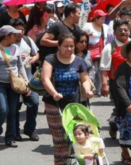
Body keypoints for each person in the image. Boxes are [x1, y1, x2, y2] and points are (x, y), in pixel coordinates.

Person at [41, 33, 93, 165]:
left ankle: (76, 162)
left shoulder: (79, 61)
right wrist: (54, 93)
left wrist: (87, 90)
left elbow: (85, 79)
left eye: (71, 46)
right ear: (58, 46)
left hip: (75, 106)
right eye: (66, 46)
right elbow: (45, 78)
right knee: (60, 141)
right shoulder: (50, 59)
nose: (69, 49)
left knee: (78, 137)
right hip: (54, 105)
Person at [0, 25, 29, 147]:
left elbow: (20, 66)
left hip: (14, 84)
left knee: (13, 111)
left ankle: (10, 137)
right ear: (7, 36)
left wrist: (26, 83)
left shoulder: (15, 48)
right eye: (14, 34)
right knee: (4, 109)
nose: (17, 36)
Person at [10, 18, 40, 141]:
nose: (19, 32)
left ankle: (30, 129)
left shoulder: (27, 40)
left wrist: (32, 58)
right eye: (16, 30)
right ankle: (15, 131)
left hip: (29, 79)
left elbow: (37, 53)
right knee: (15, 107)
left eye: (21, 30)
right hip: (14, 81)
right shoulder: (7, 43)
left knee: (34, 102)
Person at [82, 9, 108, 97]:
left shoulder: (105, 27)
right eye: (101, 19)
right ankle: (89, 88)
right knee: (92, 70)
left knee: (100, 71)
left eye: (104, 19)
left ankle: (98, 90)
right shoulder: (88, 25)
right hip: (90, 52)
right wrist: (86, 36)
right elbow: (81, 36)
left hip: (101, 52)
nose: (103, 21)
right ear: (96, 19)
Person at [74, 31, 93, 106]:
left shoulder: (87, 53)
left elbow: (91, 67)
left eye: (86, 41)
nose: (84, 44)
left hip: (86, 84)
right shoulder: (70, 54)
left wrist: (90, 79)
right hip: (74, 85)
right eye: (81, 41)